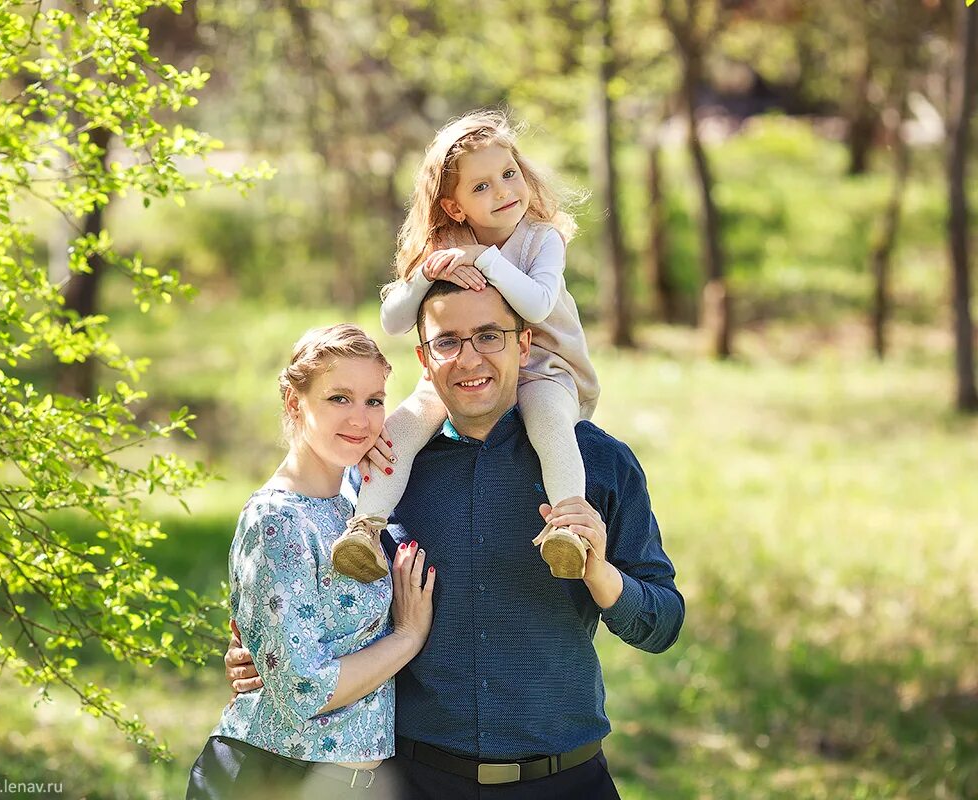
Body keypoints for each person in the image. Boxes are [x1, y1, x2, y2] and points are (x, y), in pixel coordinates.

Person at [226, 283, 685, 799]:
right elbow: (315, 604)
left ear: (524, 343)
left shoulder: (596, 465)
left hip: (565, 780)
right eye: (448, 342)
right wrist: (259, 652)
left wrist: (601, 574)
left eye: (489, 336)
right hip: (417, 781)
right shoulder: (380, 471)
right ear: (424, 357)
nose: (469, 360)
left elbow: (662, 624)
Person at [331, 109, 601, 586]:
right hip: (460, 369)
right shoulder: (447, 243)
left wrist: (485, 260)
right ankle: (365, 530)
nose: (502, 191)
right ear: (454, 208)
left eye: (508, 174)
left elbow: (537, 305)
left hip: (544, 367)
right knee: (405, 427)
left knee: (550, 424)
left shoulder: (543, 240)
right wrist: (425, 275)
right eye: (480, 187)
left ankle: (567, 530)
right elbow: (394, 321)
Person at [188, 324, 437, 800]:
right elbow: (305, 689)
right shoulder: (276, 519)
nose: (361, 420)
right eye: (338, 398)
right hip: (269, 775)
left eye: (374, 400)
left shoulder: (355, 505)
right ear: (293, 400)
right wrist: (408, 637)